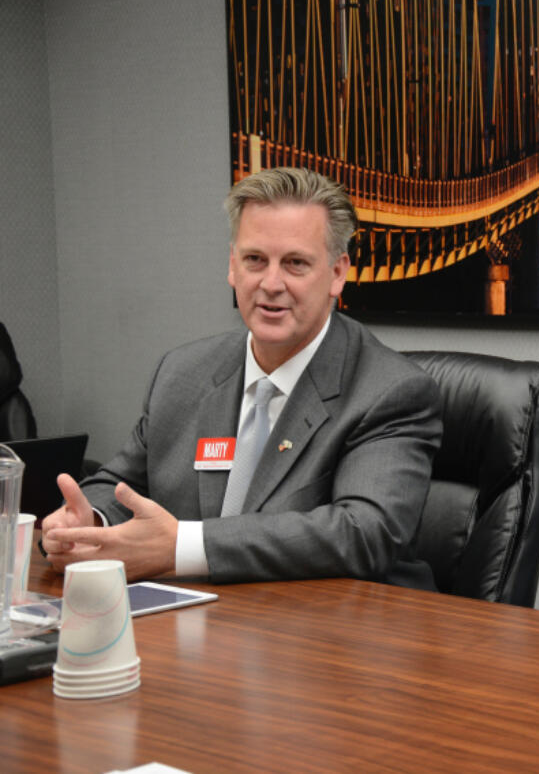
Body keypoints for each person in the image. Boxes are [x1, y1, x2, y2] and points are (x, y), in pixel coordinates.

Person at [41, 167, 442, 586]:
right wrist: (89, 521)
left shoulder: (390, 392)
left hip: (337, 634)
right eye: (255, 260)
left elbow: (364, 532)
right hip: (204, 623)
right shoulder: (182, 373)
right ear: (232, 266)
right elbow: (121, 484)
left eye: (295, 263)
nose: (271, 283)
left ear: (337, 273)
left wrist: (180, 545)